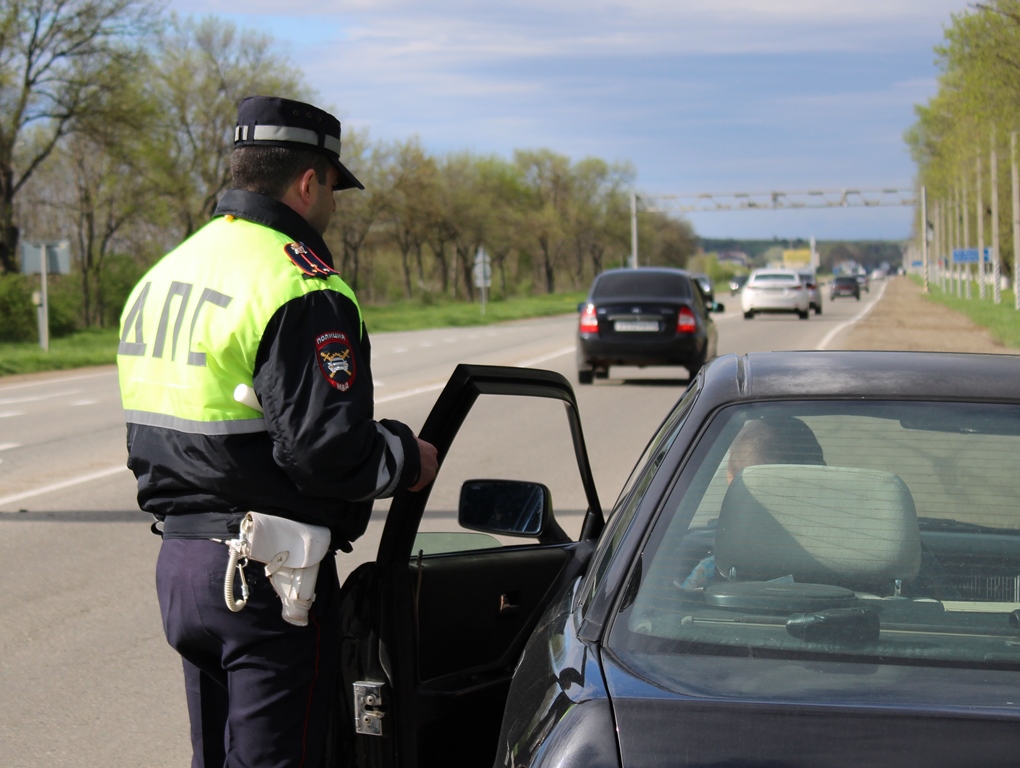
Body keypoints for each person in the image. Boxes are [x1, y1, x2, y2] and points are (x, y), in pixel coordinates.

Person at [116, 95, 438, 768]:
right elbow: (327, 451)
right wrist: (407, 456)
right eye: (332, 190)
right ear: (309, 180)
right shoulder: (296, 282)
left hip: (181, 568)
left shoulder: (166, 273)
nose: (330, 207)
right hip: (269, 578)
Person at [680, 416, 825, 591]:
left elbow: (675, 602)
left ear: (732, 483)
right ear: (821, 474)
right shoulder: (855, 556)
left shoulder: (712, 570)